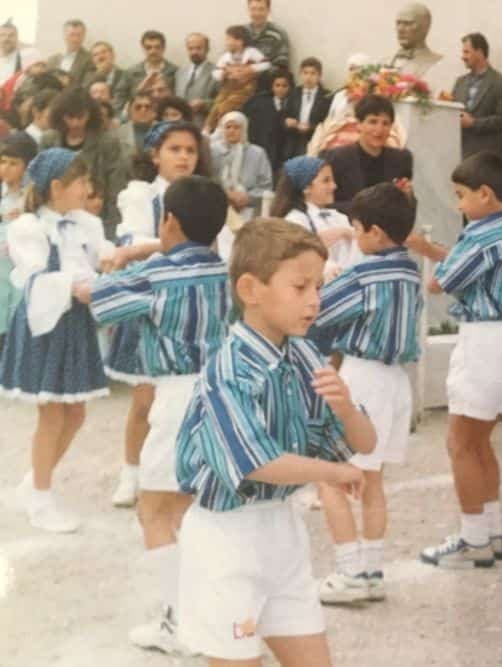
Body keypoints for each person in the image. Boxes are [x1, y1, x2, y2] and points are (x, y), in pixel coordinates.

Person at [174, 218, 375, 664]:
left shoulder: (305, 353)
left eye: (318, 288)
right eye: (300, 287)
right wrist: (332, 471)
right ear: (250, 289)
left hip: (282, 532)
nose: (315, 301)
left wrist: (344, 408)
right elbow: (257, 462)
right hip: (226, 542)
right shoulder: (228, 370)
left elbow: (363, 440)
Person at [78, 176, 231, 656]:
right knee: (192, 508)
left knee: (155, 509)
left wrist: (100, 269)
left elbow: (98, 298)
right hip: (222, 391)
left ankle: (178, 623)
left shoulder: (156, 274)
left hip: (177, 394)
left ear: (169, 220)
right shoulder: (225, 270)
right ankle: (206, 609)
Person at [411, 152, 502, 568]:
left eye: (462, 196)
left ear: (485, 194)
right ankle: (491, 531)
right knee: (480, 442)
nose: (459, 204)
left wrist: (426, 251)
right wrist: (431, 247)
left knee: (460, 443)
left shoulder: (481, 235)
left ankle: (472, 538)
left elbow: (437, 283)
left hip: (484, 341)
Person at [309, 183, 422, 605]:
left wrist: (325, 280)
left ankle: (348, 570)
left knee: (331, 475)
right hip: (395, 381)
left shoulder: (362, 274)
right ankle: (372, 570)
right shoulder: (409, 270)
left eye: (356, 228)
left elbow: (318, 313)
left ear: (373, 231)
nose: (355, 236)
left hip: (362, 378)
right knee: (373, 478)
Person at [0, 149, 114, 533]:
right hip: (45, 322)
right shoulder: (29, 227)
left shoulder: (83, 223)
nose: (87, 189)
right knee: (51, 415)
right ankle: (42, 499)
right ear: (56, 187)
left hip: (76, 321)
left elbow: (104, 255)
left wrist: (122, 258)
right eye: (81, 182)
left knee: (76, 413)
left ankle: (35, 481)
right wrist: (73, 286)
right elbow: (30, 278)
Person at [108, 121, 211, 508]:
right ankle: (130, 472)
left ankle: (186, 469)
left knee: (188, 394)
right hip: (152, 301)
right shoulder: (140, 196)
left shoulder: (204, 195)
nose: (184, 156)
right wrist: (181, 244)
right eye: (175, 149)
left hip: (193, 305)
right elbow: (132, 241)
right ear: (155, 155)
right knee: (145, 398)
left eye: (190, 150)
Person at [40, 87, 128, 232]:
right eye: (70, 117)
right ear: (61, 116)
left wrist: (111, 229)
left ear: (90, 115)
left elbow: (115, 189)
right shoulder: (48, 140)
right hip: (57, 217)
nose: (75, 123)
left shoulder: (107, 143)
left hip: (97, 217)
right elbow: (41, 184)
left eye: (80, 117)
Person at [320, 94, 413, 214]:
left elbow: (407, 210)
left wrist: (407, 197)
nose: (379, 130)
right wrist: (365, 209)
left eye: (385, 123)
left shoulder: (402, 159)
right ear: (359, 124)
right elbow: (323, 204)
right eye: (373, 122)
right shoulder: (335, 158)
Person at [271, 155, 356, 276]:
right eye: (326, 180)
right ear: (306, 188)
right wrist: (341, 233)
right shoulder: (294, 219)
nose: (334, 186)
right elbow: (299, 249)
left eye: (332, 180)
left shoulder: (337, 216)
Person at [451, 33, 502, 159]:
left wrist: (473, 123)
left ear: (479, 52)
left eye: (466, 52)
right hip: (460, 155)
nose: (462, 57)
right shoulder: (460, 82)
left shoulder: (501, 82)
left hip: (488, 158)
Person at [0, 133, 35, 346]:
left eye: (14, 163)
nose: (5, 168)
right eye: (3, 161)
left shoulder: (31, 197)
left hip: (21, 269)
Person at [205, 26, 270, 133]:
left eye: (228, 39)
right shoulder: (225, 56)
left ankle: (220, 130)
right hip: (228, 86)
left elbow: (266, 64)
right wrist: (224, 73)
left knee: (225, 106)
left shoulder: (252, 52)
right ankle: (207, 128)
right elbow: (216, 73)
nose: (226, 42)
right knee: (216, 104)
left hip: (245, 87)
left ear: (240, 41)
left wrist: (249, 69)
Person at [211, 110, 273, 221]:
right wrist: (227, 195)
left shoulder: (257, 153)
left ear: (244, 129)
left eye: (236, 127)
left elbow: (266, 185)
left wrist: (247, 198)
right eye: (228, 127)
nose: (232, 131)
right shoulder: (213, 151)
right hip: (217, 205)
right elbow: (208, 179)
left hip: (249, 208)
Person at [243, 68, 292, 172]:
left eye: (284, 86)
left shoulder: (292, 105)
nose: (281, 89)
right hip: (264, 147)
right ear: (272, 87)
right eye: (277, 85)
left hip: (283, 152)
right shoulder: (262, 103)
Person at [284, 57, 331, 159]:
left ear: (319, 76)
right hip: (294, 141)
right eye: (305, 73)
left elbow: (328, 122)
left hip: (315, 140)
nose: (308, 77)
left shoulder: (327, 97)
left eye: (313, 73)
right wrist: (287, 121)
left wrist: (311, 127)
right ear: (300, 74)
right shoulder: (293, 93)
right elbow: (284, 115)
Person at [174, 33, 218, 129]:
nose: (194, 52)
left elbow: (224, 103)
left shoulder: (217, 72)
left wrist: (205, 104)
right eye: (191, 48)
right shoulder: (180, 72)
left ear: (207, 49)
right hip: (180, 127)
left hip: (205, 128)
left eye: (198, 48)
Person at [387, 3, 443, 78]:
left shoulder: (438, 64)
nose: (400, 29)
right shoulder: (384, 63)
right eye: (398, 23)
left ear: (425, 27)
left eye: (408, 24)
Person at [122, 30, 178, 104]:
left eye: (157, 47)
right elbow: (120, 99)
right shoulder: (130, 72)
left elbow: (178, 99)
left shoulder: (176, 72)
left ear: (164, 48)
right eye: (148, 48)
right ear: (143, 49)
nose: (153, 51)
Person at [45, 20, 94, 89]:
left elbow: (87, 86)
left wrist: (70, 84)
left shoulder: (90, 59)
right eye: (72, 35)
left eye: (79, 35)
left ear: (84, 36)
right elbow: (44, 81)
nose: (75, 39)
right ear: (64, 36)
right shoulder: (52, 59)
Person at [81, 41, 127, 115]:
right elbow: (82, 96)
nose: (100, 57)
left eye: (104, 52)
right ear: (92, 60)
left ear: (113, 55)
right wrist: (99, 74)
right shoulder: (88, 77)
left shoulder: (125, 75)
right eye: (95, 55)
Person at [246, 0, 291, 74]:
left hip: (269, 81)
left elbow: (282, 66)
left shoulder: (278, 33)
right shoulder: (241, 32)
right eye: (253, 9)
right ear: (248, 10)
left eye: (261, 9)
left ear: (268, 10)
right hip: (242, 82)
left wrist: (254, 72)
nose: (257, 13)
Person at [115, 91, 156, 159]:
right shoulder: (118, 134)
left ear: (154, 111)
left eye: (147, 107)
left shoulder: (165, 132)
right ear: (129, 111)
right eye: (138, 107)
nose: (143, 110)